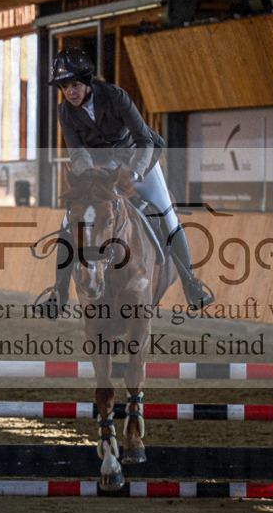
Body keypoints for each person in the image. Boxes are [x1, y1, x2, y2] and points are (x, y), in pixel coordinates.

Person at [37, 48, 215, 318]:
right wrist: (90, 178)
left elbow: (145, 140)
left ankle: (191, 284)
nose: (69, 92)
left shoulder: (115, 96)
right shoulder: (65, 111)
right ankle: (58, 293)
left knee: (167, 215)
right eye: (64, 87)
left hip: (139, 159)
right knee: (68, 221)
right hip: (102, 168)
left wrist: (133, 174)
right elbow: (77, 152)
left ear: (86, 82)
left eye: (74, 85)